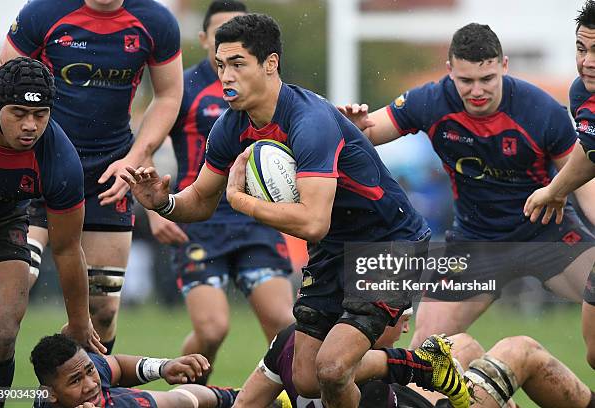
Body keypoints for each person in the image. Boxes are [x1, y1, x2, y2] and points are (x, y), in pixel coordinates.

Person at [122, 13, 470, 408]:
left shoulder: (310, 121)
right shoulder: (231, 127)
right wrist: (162, 202)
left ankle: (419, 371)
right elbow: (200, 200)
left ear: (270, 64)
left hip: (388, 244)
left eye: (238, 64)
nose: (226, 76)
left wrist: (242, 202)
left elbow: (313, 222)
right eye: (220, 65)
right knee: (306, 378)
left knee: (334, 369)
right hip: (335, 247)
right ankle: (423, 366)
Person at [339, 22, 595, 349]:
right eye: (466, 81)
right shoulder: (431, 101)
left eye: (487, 79)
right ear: (450, 72)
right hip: (476, 242)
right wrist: (353, 127)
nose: (477, 91)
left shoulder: (541, 111)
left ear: (503, 66)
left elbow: (585, 183)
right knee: (426, 349)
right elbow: (370, 131)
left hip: (547, 233)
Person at [0, 0, 183, 354]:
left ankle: (80, 396)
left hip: (108, 174)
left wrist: (133, 160)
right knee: (12, 294)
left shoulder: (156, 21)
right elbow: (0, 83)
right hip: (41, 169)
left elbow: (168, 95)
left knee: (101, 312)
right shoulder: (42, 12)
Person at [147, 0, 294, 379]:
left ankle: (297, 398)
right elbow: (143, 148)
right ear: (204, 40)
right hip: (199, 220)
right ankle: (189, 397)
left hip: (255, 219)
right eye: (220, 36)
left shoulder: (271, 91)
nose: (228, 46)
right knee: (212, 329)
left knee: (284, 322)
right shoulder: (183, 87)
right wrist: (154, 211)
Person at [0, 57, 103, 398]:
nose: (30, 126)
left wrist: (79, 321)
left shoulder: (60, 161)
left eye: (40, 114)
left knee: (2, 331)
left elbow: (66, 249)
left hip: (1, 223)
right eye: (18, 113)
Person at [236, 315, 595, 408]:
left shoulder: (292, 338)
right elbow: (339, 374)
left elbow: (243, 401)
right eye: (397, 312)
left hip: (404, 396)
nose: (406, 321)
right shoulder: (345, 364)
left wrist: (199, 395)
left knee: (464, 344)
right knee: (522, 349)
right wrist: (409, 362)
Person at [524, 0, 595, 370]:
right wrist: (558, 189)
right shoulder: (582, 94)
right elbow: (590, 150)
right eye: (582, 49)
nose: (588, 61)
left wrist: (554, 190)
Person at [30, 333, 244, 408]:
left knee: (183, 401)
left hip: (117, 402)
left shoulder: (86, 365)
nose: (91, 384)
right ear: (51, 394)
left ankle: (241, 397)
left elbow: (119, 366)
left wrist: (163, 367)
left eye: (90, 371)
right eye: (75, 381)